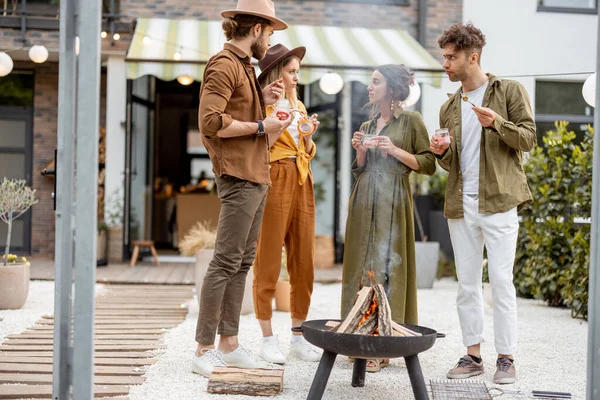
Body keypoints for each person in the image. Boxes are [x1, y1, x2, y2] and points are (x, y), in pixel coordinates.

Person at [430, 22, 536, 384]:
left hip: (500, 201)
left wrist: (498, 124)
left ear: (472, 57)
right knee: (467, 285)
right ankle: (472, 355)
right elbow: (449, 164)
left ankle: (505, 358)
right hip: (462, 204)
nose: (445, 63)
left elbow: (528, 139)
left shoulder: (508, 91)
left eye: (451, 57)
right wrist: (441, 153)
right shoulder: (449, 107)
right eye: (444, 56)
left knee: (502, 282)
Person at [192, 0, 293, 378]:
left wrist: (261, 104)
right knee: (223, 262)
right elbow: (211, 122)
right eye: (270, 32)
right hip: (238, 176)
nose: (270, 39)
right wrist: (262, 126)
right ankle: (203, 348)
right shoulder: (223, 65)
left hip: (255, 175)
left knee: (241, 263)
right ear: (255, 30)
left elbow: (235, 112)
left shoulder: (242, 68)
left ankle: (229, 343)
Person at [342, 64, 436, 373]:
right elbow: (360, 170)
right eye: (370, 81)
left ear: (392, 89)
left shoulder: (411, 121)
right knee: (360, 265)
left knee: (385, 268)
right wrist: (359, 150)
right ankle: (356, 337)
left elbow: (427, 164)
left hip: (393, 199)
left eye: (376, 82)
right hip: (364, 195)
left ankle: (383, 344)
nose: (370, 87)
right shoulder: (369, 123)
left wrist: (393, 149)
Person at [253, 43, 321, 364]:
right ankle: (267, 337)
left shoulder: (300, 105)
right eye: (291, 71)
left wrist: (308, 136)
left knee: (304, 259)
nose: (296, 77)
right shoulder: (260, 106)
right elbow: (257, 147)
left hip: (302, 178)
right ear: (276, 73)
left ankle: (298, 335)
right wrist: (274, 124)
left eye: (297, 71)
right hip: (275, 177)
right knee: (268, 257)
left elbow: (307, 149)